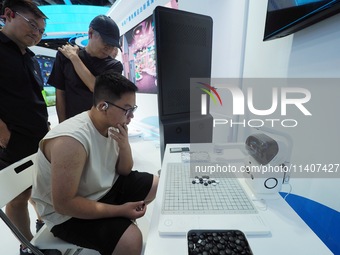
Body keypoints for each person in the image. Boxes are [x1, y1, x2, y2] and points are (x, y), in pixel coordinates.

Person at [31, 70, 159, 255]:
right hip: (66, 215)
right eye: (126, 109)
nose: (130, 116)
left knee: (156, 185)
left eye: (133, 109)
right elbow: (64, 204)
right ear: (102, 106)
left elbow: (124, 171)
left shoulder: (111, 125)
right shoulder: (71, 140)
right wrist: (120, 211)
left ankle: (117, 226)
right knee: (131, 241)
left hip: (101, 190)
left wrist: (124, 146)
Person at [0, 1, 60, 254]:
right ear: (9, 15)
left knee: (39, 186)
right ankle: (28, 246)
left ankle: (42, 225)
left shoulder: (30, 56)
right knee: (17, 196)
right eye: (32, 24)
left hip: (38, 134)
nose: (36, 33)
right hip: (11, 138)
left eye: (41, 30)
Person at [48, 14, 124, 123]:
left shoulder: (114, 66)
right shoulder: (64, 56)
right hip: (72, 124)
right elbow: (60, 93)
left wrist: (74, 58)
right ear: (91, 33)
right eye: (106, 42)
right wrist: (62, 124)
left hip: (100, 127)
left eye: (112, 45)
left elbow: (96, 88)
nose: (109, 49)